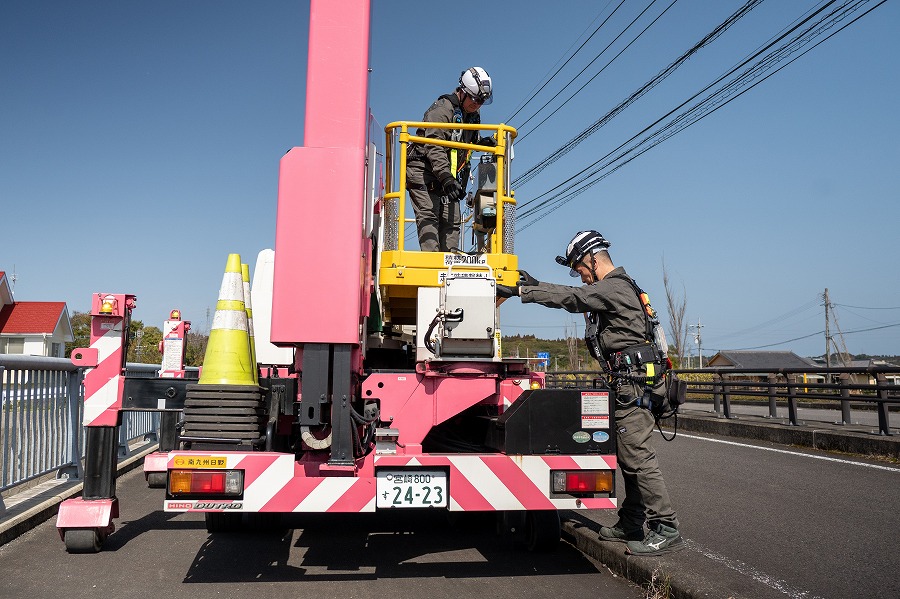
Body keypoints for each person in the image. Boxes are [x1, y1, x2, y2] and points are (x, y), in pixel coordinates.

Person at [497, 230, 683, 556]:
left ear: (593, 260)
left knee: (638, 457)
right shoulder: (622, 286)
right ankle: (631, 522)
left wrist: (524, 290)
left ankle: (666, 527)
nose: (581, 276)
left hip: (634, 385)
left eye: (579, 269)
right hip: (635, 383)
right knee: (628, 456)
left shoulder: (613, 287)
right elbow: (576, 293)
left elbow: (574, 298)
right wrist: (536, 284)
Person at [406, 66, 495, 252]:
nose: (478, 104)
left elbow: (461, 140)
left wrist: (480, 142)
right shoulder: (441, 111)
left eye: (482, 101)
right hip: (424, 170)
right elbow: (434, 146)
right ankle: (432, 265)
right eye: (475, 99)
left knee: (452, 222)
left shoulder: (472, 114)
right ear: (463, 91)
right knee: (429, 217)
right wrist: (446, 178)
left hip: (447, 175)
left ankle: (450, 265)